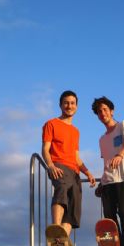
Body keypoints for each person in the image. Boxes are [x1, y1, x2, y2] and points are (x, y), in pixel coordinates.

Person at [42, 90, 95, 237]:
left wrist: (87, 172)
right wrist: (51, 165)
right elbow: (45, 149)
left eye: (72, 103)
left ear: (76, 107)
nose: (69, 106)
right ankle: (56, 229)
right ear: (60, 105)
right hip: (59, 165)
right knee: (62, 189)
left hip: (75, 172)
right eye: (66, 103)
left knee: (73, 208)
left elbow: (76, 157)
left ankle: (62, 244)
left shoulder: (75, 131)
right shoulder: (51, 124)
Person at [92, 96, 124, 246]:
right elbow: (106, 163)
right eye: (99, 112)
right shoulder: (102, 139)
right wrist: (101, 183)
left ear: (111, 110)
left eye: (104, 110)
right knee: (109, 218)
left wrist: (120, 154)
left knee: (123, 211)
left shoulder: (123, 125)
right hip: (108, 181)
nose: (102, 113)